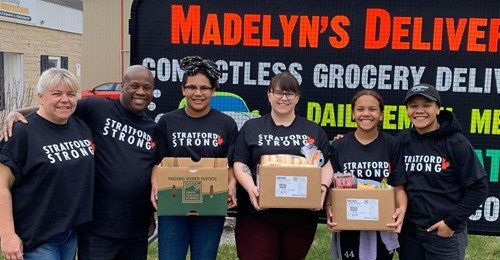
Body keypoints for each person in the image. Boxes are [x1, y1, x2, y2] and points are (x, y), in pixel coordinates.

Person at [2, 65, 157, 260]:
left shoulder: (152, 128)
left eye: (147, 87)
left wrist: (150, 213)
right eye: (134, 85)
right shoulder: (97, 108)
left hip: (106, 230)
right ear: (122, 86)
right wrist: (17, 112)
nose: (141, 92)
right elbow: (60, 106)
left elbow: (153, 167)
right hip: (80, 230)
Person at [230, 71, 334, 260]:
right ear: (269, 95)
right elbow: (240, 163)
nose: (283, 98)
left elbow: (326, 164)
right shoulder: (252, 127)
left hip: (299, 216)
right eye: (278, 93)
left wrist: (322, 188)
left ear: (297, 97)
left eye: (289, 93)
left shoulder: (312, 129)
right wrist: (251, 188)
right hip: (257, 214)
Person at [0, 68, 95, 259]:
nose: (65, 100)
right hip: (37, 239)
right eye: (56, 93)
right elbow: (2, 186)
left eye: (70, 94)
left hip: (70, 233)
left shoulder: (81, 126)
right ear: (41, 97)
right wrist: (7, 235)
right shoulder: (22, 132)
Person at [150, 56, 238, 260]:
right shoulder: (167, 121)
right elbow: (158, 161)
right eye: (191, 87)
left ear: (213, 91)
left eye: (204, 88)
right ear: (183, 90)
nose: (198, 93)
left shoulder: (226, 124)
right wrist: (155, 184)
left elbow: (230, 162)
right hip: (173, 205)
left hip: (210, 205)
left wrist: (232, 183)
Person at [394, 83, 488, 260]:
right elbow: (377, 150)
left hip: (444, 236)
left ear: (437, 109)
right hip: (410, 234)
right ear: (407, 110)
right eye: (413, 106)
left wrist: (451, 224)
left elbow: (479, 188)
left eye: (426, 105)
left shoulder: (456, 143)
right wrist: (347, 142)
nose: (419, 110)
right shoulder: (402, 140)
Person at [325, 90, 407, 260]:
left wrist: (401, 209)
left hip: (381, 224)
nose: (366, 114)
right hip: (349, 222)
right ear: (353, 114)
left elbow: (398, 185)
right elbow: (333, 187)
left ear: (381, 115)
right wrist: (329, 209)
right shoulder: (340, 145)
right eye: (360, 109)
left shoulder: (392, 144)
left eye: (373, 109)